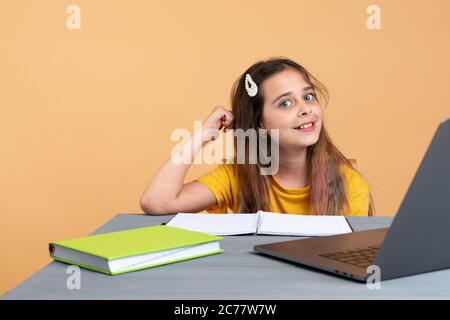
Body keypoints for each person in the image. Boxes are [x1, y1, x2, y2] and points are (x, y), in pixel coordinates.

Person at [140, 57, 375, 216]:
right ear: (260, 123)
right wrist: (203, 134)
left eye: (309, 97)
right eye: (285, 103)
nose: (305, 109)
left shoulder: (349, 184)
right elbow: (156, 202)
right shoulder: (236, 177)